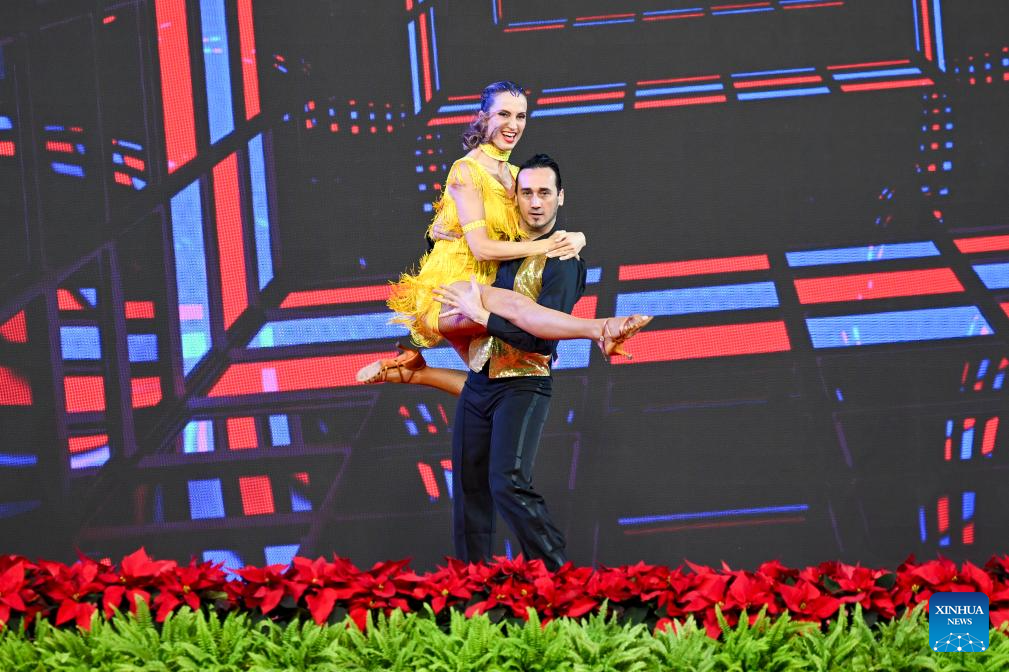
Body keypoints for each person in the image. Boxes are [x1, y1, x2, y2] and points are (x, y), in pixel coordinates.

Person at [356, 80, 650, 387]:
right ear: (484, 117)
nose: (513, 125)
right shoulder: (466, 171)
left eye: (520, 116)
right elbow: (482, 248)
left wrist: (577, 238)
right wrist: (546, 246)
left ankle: (414, 372)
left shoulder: (515, 175)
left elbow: (533, 231)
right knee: (514, 312)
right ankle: (602, 329)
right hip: (453, 292)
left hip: (491, 286)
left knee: (497, 387)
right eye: (504, 114)